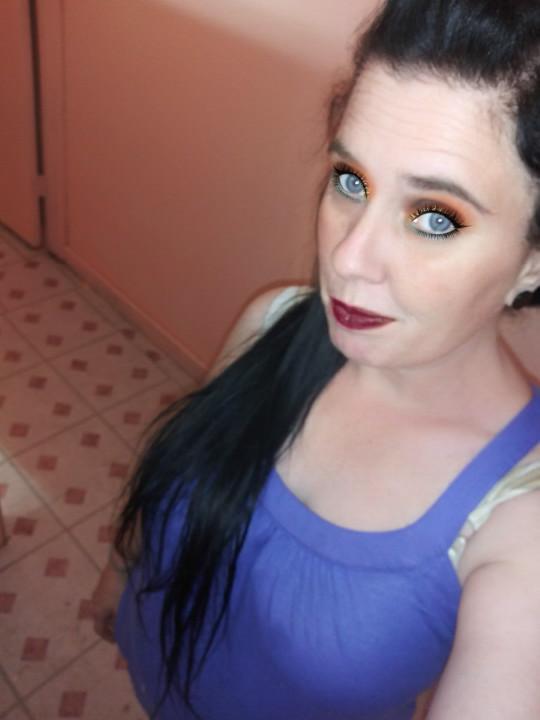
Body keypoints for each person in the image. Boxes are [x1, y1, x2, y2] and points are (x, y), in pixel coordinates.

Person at [90, 0, 540, 718]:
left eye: (435, 218)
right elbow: (186, 481)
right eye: (350, 180)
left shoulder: (519, 522)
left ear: (532, 261)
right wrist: (118, 579)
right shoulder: (274, 321)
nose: (349, 257)